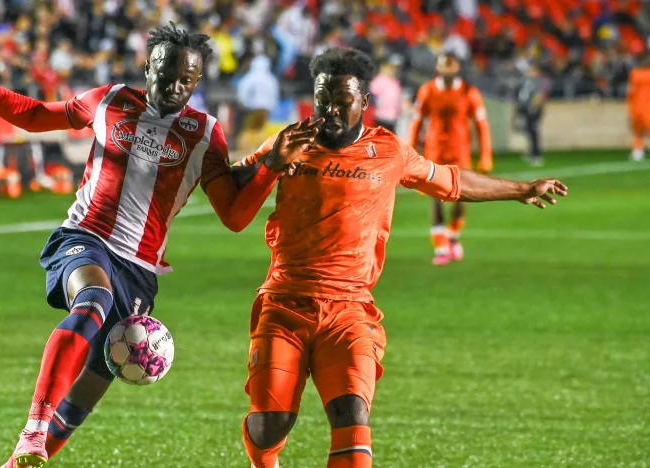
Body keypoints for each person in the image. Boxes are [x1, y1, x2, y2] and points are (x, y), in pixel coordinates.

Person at [0, 23, 317, 468]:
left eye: (186, 80)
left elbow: (233, 215)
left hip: (140, 270)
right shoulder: (110, 100)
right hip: (85, 237)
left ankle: (21, 462)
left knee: (93, 383)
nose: (173, 86)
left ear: (197, 81)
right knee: (93, 301)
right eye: (164, 73)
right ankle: (33, 429)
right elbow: (35, 115)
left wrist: (270, 167)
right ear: (147, 66)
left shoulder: (205, 133)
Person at [235, 47, 567, 468]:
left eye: (343, 101)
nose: (331, 111)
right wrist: (267, 161)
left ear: (364, 103)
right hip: (285, 305)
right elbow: (233, 188)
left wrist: (520, 189)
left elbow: (450, 180)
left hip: (350, 311)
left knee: (352, 419)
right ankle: (264, 458)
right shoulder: (289, 143)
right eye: (323, 101)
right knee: (271, 424)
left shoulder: (389, 151)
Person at [408, 53, 492, 266]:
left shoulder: (468, 92)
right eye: (443, 66)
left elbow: (482, 125)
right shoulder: (427, 91)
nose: (446, 70)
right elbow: (417, 122)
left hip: (459, 152)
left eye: (450, 66)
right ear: (437, 68)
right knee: (435, 197)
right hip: (434, 151)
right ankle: (441, 247)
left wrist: (485, 155)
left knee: (460, 196)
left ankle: (453, 235)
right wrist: (410, 151)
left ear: (457, 68)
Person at [516, 62, 548, 167]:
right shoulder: (526, 80)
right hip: (526, 109)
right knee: (528, 131)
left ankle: (537, 155)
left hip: (534, 109)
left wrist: (533, 107)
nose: (529, 71)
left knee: (534, 131)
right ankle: (531, 152)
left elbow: (539, 95)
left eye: (532, 69)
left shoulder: (537, 80)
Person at [368, 54, 403, 133]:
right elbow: (371, 97)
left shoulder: (395, 82)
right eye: (391, 67)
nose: (394, 70)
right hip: (381, 117)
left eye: (396, 68)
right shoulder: (379, 80)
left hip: (393, 119)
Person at [627, 53, 650, 161]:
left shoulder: (635, 74)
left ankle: (638, 151)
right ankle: (638, 151)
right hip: (642, 107)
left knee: (638, 131)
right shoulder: (636, 74)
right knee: (638, 131)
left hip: (640, 107)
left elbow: (630, 92)